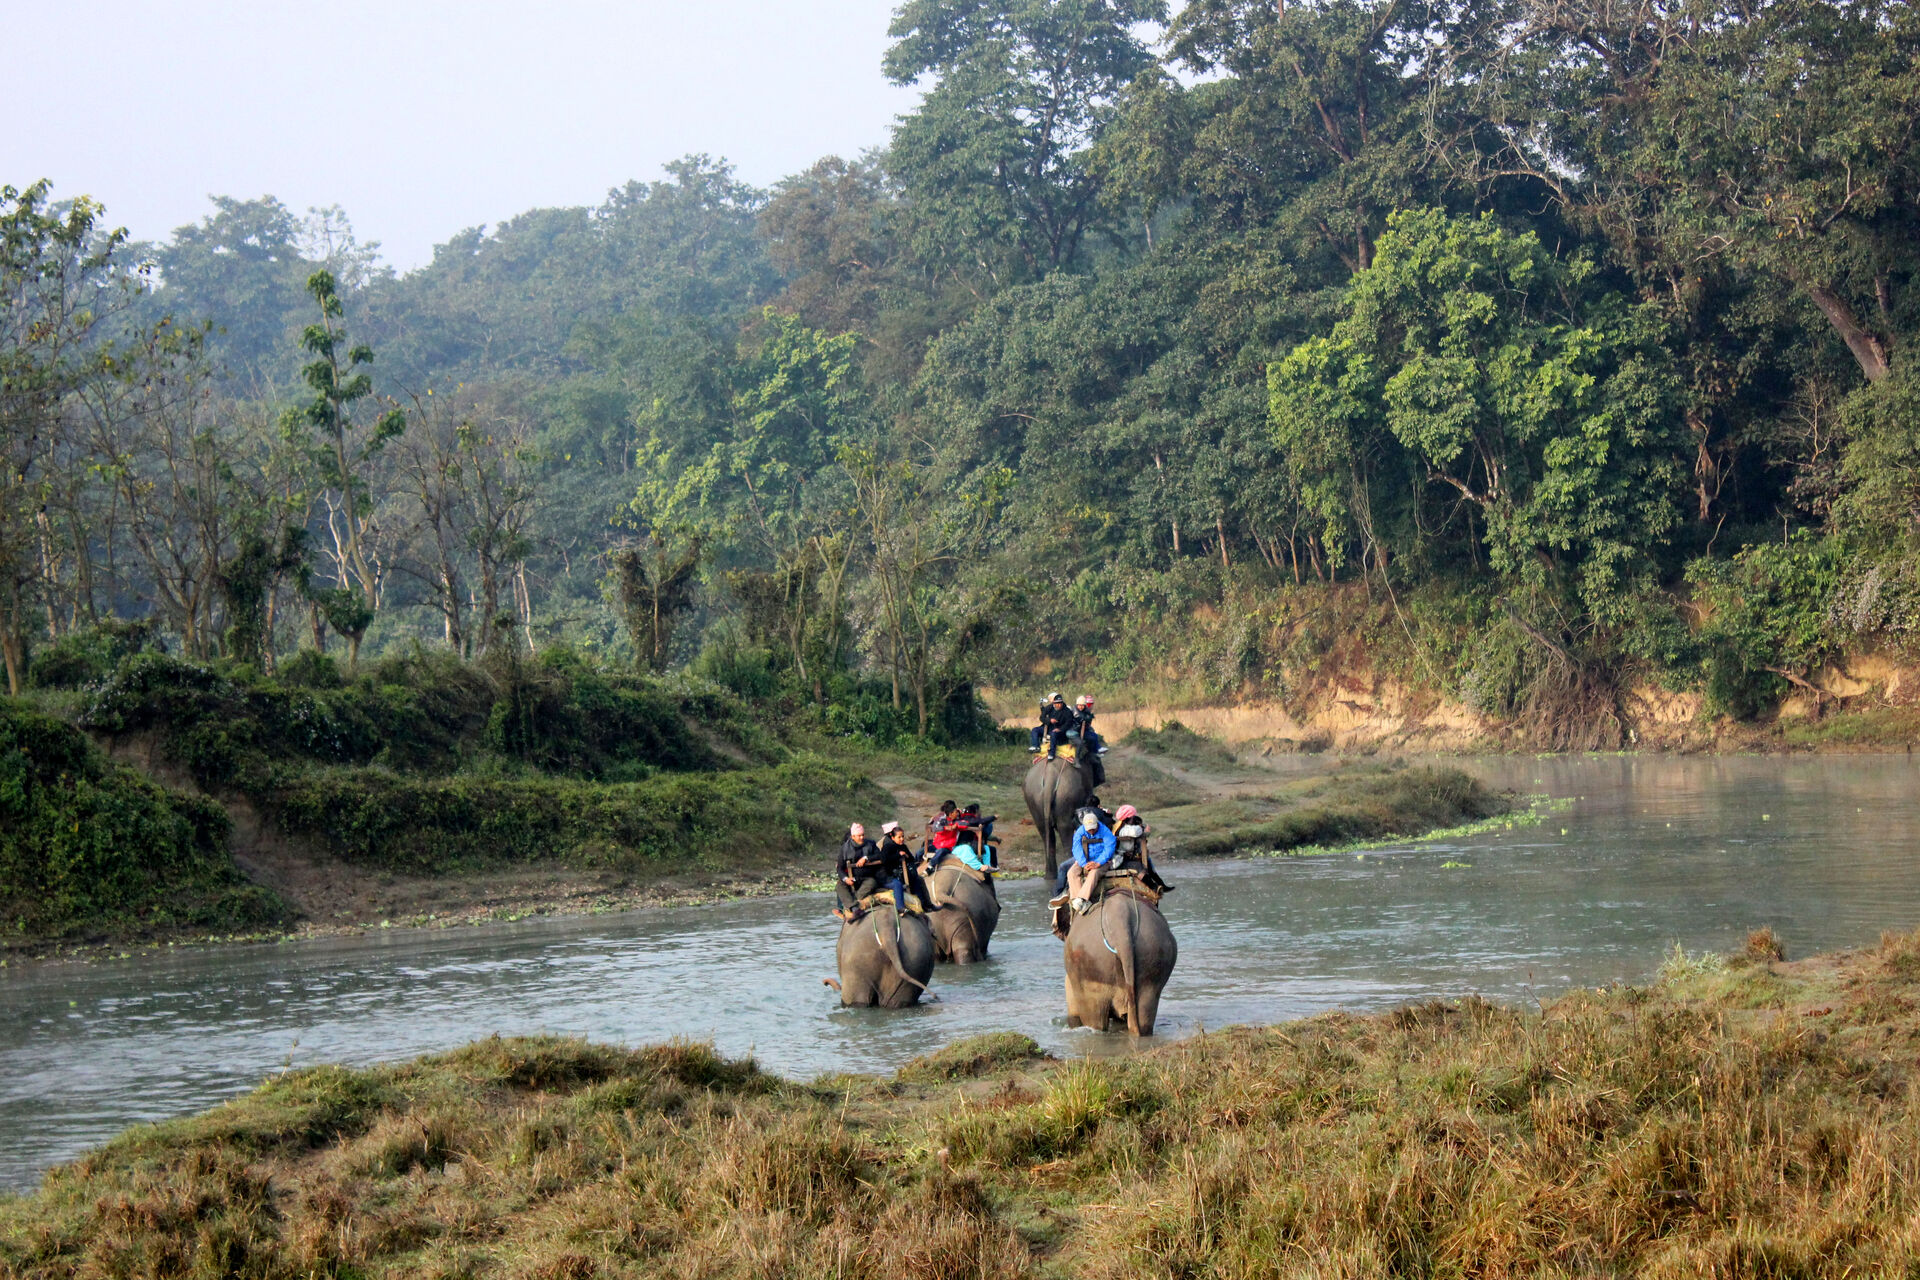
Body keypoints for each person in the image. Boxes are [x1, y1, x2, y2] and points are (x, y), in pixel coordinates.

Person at [1050, 809, 1116, 914]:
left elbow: (1109, 848)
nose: (1091, 831)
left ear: (1097, 824)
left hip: (1101, 862)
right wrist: (1084, 863)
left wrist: (1098, 863)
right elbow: (1076, 848)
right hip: (1084, 860)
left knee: (1094, 873)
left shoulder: (1105, 831)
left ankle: (1082, 899)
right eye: (1089, 830)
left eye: (1093, 829)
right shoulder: (1080, 831)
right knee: (1071, 872)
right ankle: (1076, 900)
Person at [878, 820, 938, 912]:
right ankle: (901, 907)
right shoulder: (888, 847)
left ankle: (927, 904)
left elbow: (912, 859)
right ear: (892, 837)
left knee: (919, 880)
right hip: (893, 875)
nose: (902, 839)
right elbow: (884, 860)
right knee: (902, 884)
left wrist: (906, 856)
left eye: (902, 836)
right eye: (899, 837)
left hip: (905, 873)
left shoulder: (903, 846)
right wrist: (898, 855)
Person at [1112, 803, 1172, 894]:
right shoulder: (1124, 829)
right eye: (1133, 817)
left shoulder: (1121, 827)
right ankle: (1153, 887)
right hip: (1120, 859)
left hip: (1127, 856)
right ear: (1130, 818)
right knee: (1140, 867)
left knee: (1148, 861)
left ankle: (1161, 884)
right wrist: (1142, 828)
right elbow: (1135, 832)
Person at [834, 822, 889, 920]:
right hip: (852, 878)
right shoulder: (845, 848)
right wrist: (846, 879)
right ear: (853, 837)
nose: (862, 837)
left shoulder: (870, 844)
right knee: (839, 885)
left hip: (867, 877)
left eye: (863, 835)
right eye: (859, 836)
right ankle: (854, 907)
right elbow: (840, 868)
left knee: (871, 883)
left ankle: (855, 902)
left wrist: (866, 858)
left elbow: (880, 855)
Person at [1031, 691, 1079, 758]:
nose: (1058, 705)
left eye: (1060, 703)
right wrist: (1049, 720)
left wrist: (1060, 729)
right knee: (1035, 730)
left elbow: (1069, 723)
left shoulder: (1067, 711)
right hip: (1049, 728)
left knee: (1053, 733)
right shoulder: (1050, 708)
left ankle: (1051, 753)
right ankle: (1036, 746)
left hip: (1060, 731)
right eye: (1056, 703)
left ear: (1062, 703)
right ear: (1054, 703)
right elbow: (1042, 717)